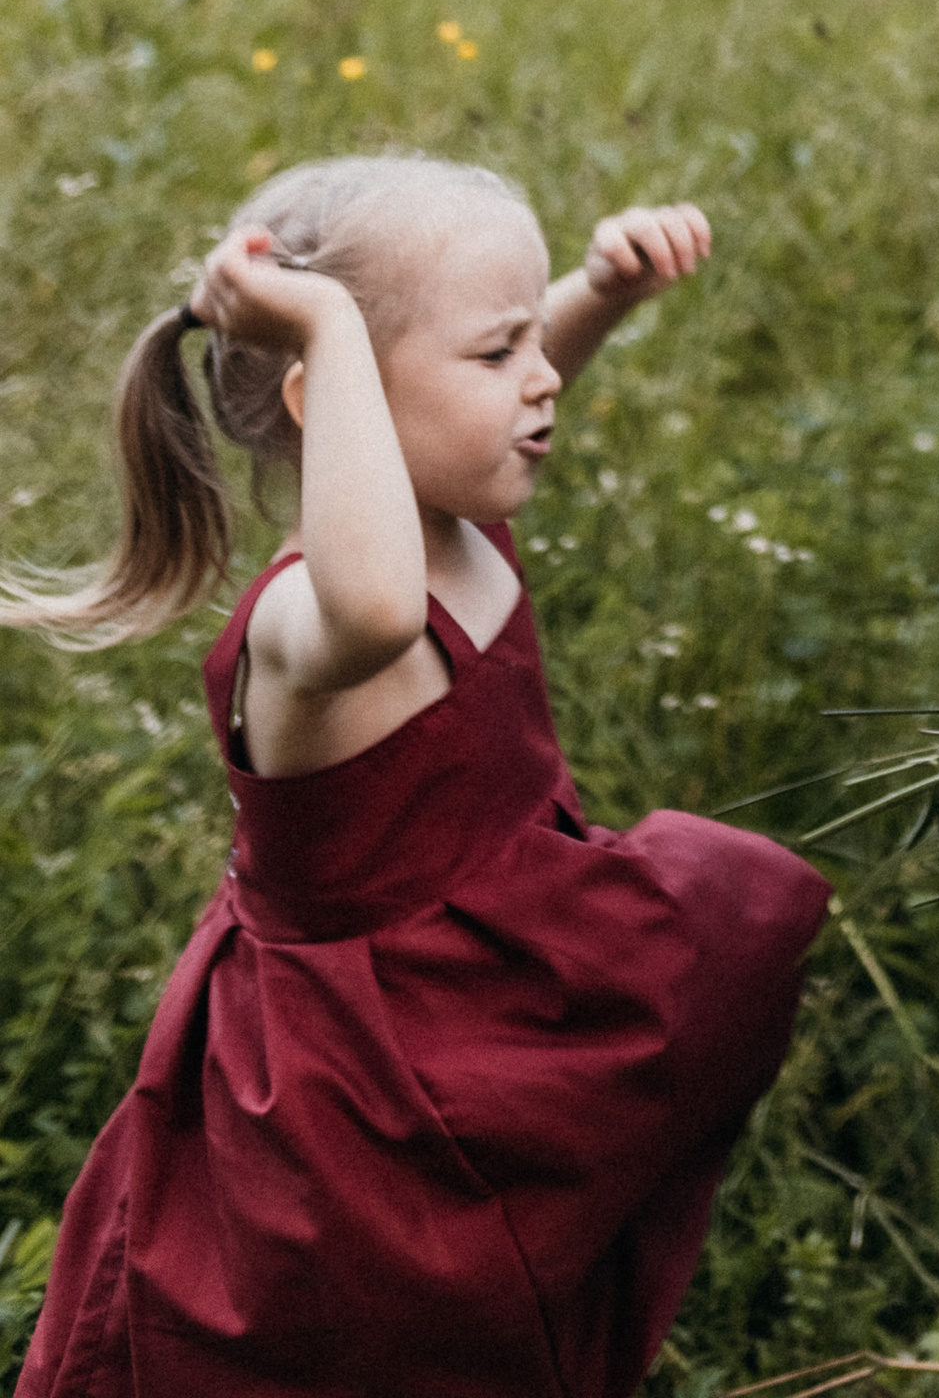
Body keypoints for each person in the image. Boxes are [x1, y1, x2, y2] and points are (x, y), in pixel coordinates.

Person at [3, 154, 830, 1398]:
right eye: (500, 352)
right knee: (363, 1342)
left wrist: (596, 294)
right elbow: (383, 607)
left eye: (529, 341)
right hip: (355, 1091)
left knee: (487, 1319)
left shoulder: (438, 511)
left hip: (474, 1007)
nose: (542, 379)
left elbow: (456, 412)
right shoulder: (313, 622)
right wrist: (327, 321)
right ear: (325, 394)